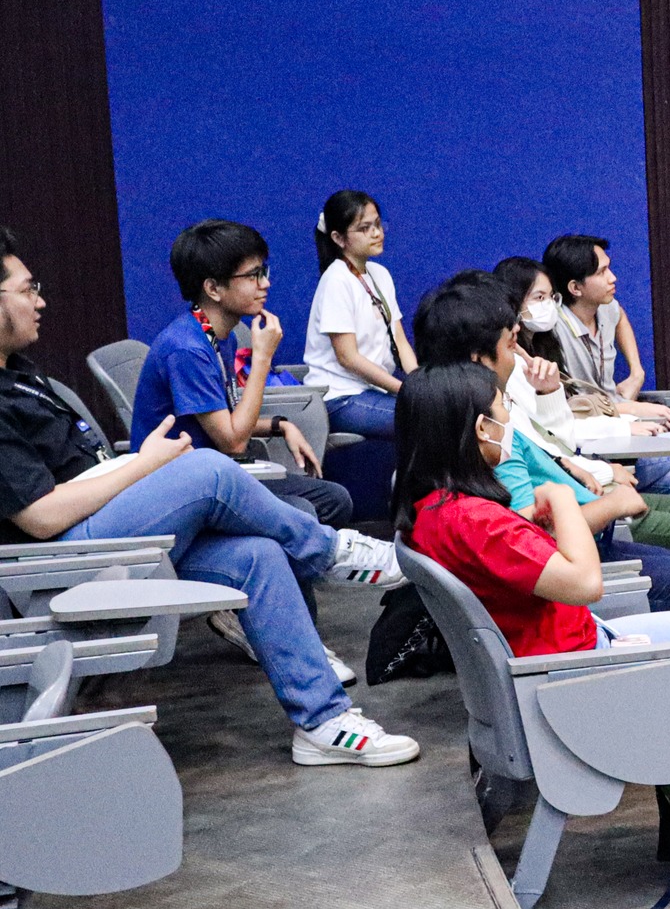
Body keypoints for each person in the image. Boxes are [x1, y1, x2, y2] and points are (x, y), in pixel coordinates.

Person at [396, 363, 670, 903]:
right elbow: (584, 580)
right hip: (570, 679)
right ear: (477, 429)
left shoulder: (435, 511)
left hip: (565, 655)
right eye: (502, 409)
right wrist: (559, 500)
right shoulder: (478, 521)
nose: (509, 419)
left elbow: (529, 570)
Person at [0, 227, 419, 767]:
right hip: (63, 560)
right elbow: (37, 517)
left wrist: (136, 467)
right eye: (28, 289)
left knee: (260, 556)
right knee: (207, 468)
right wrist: (146, 466)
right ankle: (330, 551)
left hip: (106, 524)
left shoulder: (22, 376)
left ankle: (322, 721)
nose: (42, 301)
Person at [412, 272, 670, 626]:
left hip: (586, 525)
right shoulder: (490, 431)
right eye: (510, 344)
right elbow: (531, 536)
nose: (518, 355)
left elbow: (553, 452)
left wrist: (554, 409)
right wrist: (602, 503)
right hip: (584, 549)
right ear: (479, 358)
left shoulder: (466, 417)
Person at [131, 219, 361, 678]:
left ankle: (257, 618)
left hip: (221, 475)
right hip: (182, 496)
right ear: (213, 288)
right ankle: (299, 644)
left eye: (264, 271)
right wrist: (261, 359)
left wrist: (278, 425)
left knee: (332, 498)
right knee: (300, 513)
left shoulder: (213, 335)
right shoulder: (188, 347)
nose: (266, 283)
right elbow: (233, 438)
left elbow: (221, 420)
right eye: (253, 275)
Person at [496, 258, 670, 594]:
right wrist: (608, 456)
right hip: (593, 467)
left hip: (593, 456)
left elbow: (559, 439)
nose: (612, 278)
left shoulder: (546, 343)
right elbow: (557, 446)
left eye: (551, 298)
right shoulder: (508, 389)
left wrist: (636, 375)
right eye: (539, 298)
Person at [541, 234, 670, 514]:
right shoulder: (553, 331)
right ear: (575, 287)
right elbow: (574, 411)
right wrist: (637, 406)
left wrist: (636, 372)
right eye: (602, 272)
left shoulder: (605, 306)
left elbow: (621, 319)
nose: (613, 278)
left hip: (623, 412)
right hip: (598, 432)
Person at [304, 191, 416, 440]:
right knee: (425, 419)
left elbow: (399, 339)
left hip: (372, 391)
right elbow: (348, 358)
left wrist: (420, 384)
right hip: (339, 397)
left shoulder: (380, 274)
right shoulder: (336, 280)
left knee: (435, 412)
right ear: (338, 238)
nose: (377, 233)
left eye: (377, 224)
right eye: (365, 228)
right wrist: (405, 390)